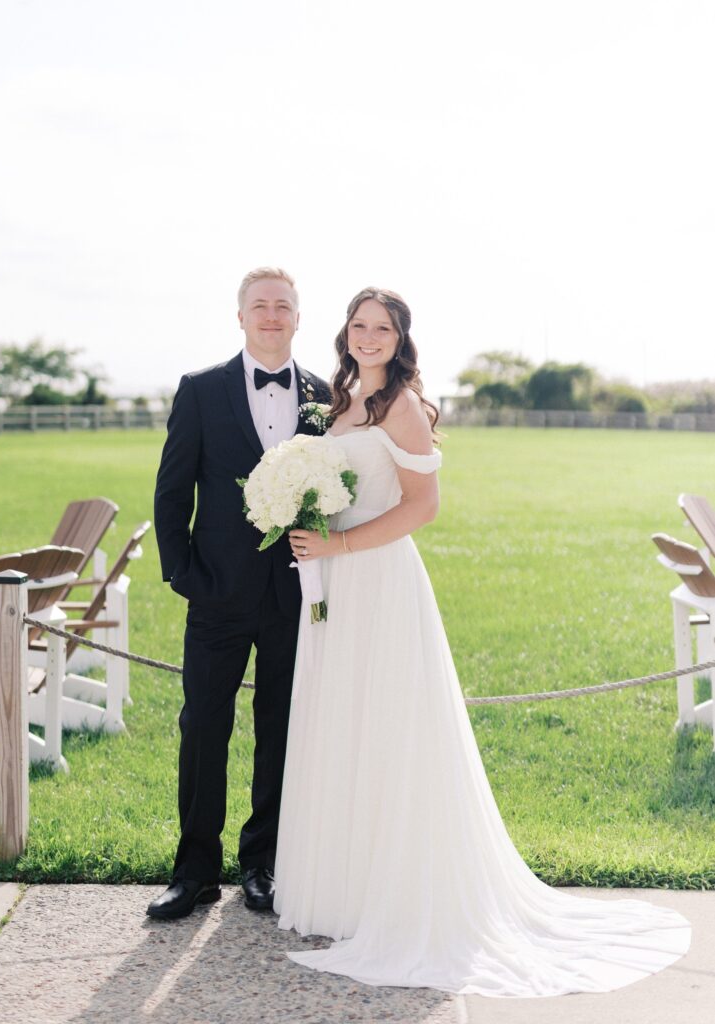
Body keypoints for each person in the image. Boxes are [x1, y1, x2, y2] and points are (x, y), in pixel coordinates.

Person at [273, 287, 691, 995]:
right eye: (358, 324)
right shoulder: (336, 401)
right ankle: (341, 891)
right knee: (341, 723)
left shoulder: (402, 406)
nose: (367, 336)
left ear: (400, 338)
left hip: (377, 580)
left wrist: (337, 545)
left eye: (382, 328)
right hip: (333, 585)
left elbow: (422, 506)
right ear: (344, 332)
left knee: (389, 729)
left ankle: (396, 893)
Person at [149, 267, 330, 920]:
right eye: (260, 305)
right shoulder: (201, 391)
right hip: (217, 595)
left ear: (298, 317)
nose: (271, 315)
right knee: (203, 727)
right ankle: (194, 870)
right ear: (240, 316)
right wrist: (183, 574)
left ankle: (263, 865)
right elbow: (172, 491)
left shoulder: (323, 395)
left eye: (283, 305)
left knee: (279, 730)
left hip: (291, 594)